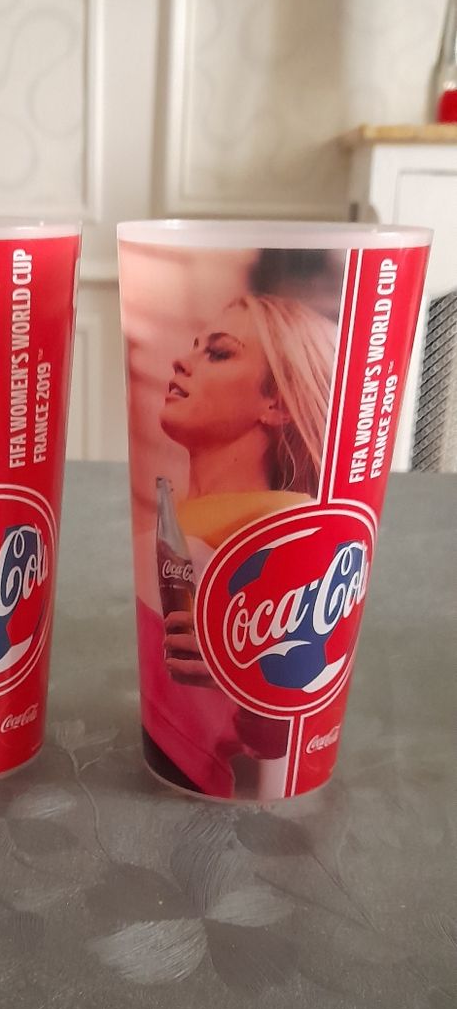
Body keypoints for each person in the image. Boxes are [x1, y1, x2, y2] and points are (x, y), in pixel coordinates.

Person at [136, 292, 336, 796]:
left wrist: (245, 670)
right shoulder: (164, 529)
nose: (182, 360)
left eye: (219, 352)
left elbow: (289, 722)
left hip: (225, 794)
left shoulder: (290, 530)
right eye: (194, 345)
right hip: (164, 773)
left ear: (278, 403)